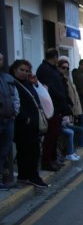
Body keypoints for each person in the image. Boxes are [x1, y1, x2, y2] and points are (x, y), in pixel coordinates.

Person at [9, 60, 47, 188]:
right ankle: (30, 176)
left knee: (32, 151)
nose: (24, 73)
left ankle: (27, 176)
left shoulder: (27, 83)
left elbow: (38, 98)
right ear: (14, 70)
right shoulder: (12, 83)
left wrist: (35, 83)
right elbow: (14, 103)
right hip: (23, 124)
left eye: (27, 70)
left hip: (32, 124)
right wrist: (25, 118)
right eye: (21, 70)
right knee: (26, 152)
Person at [36, 48, 71, 172]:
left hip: (56, 107)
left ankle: (53, 159)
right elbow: (51, 89)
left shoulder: (50, 69)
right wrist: (61, 97)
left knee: (55, 136)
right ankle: (47, 162)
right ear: (55, 58)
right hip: (51, 108)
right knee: (50, 136)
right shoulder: (45, 69)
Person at [0, 53, 19, 189]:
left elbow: (15, 97)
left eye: (0, 59)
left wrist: (15, 112)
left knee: (5, 151)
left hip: (8, 120)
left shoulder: (7, 78)